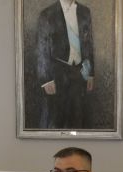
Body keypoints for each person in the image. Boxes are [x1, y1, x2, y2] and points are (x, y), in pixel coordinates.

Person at [36, 0, 94, 129]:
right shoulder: (47, 14)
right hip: (56, 74)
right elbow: (42, 48)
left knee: (78, 118)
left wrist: (90, 74)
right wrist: (46, 79)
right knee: (55, 119)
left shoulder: (85, 12)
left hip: (79, 73)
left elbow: (88, 44)